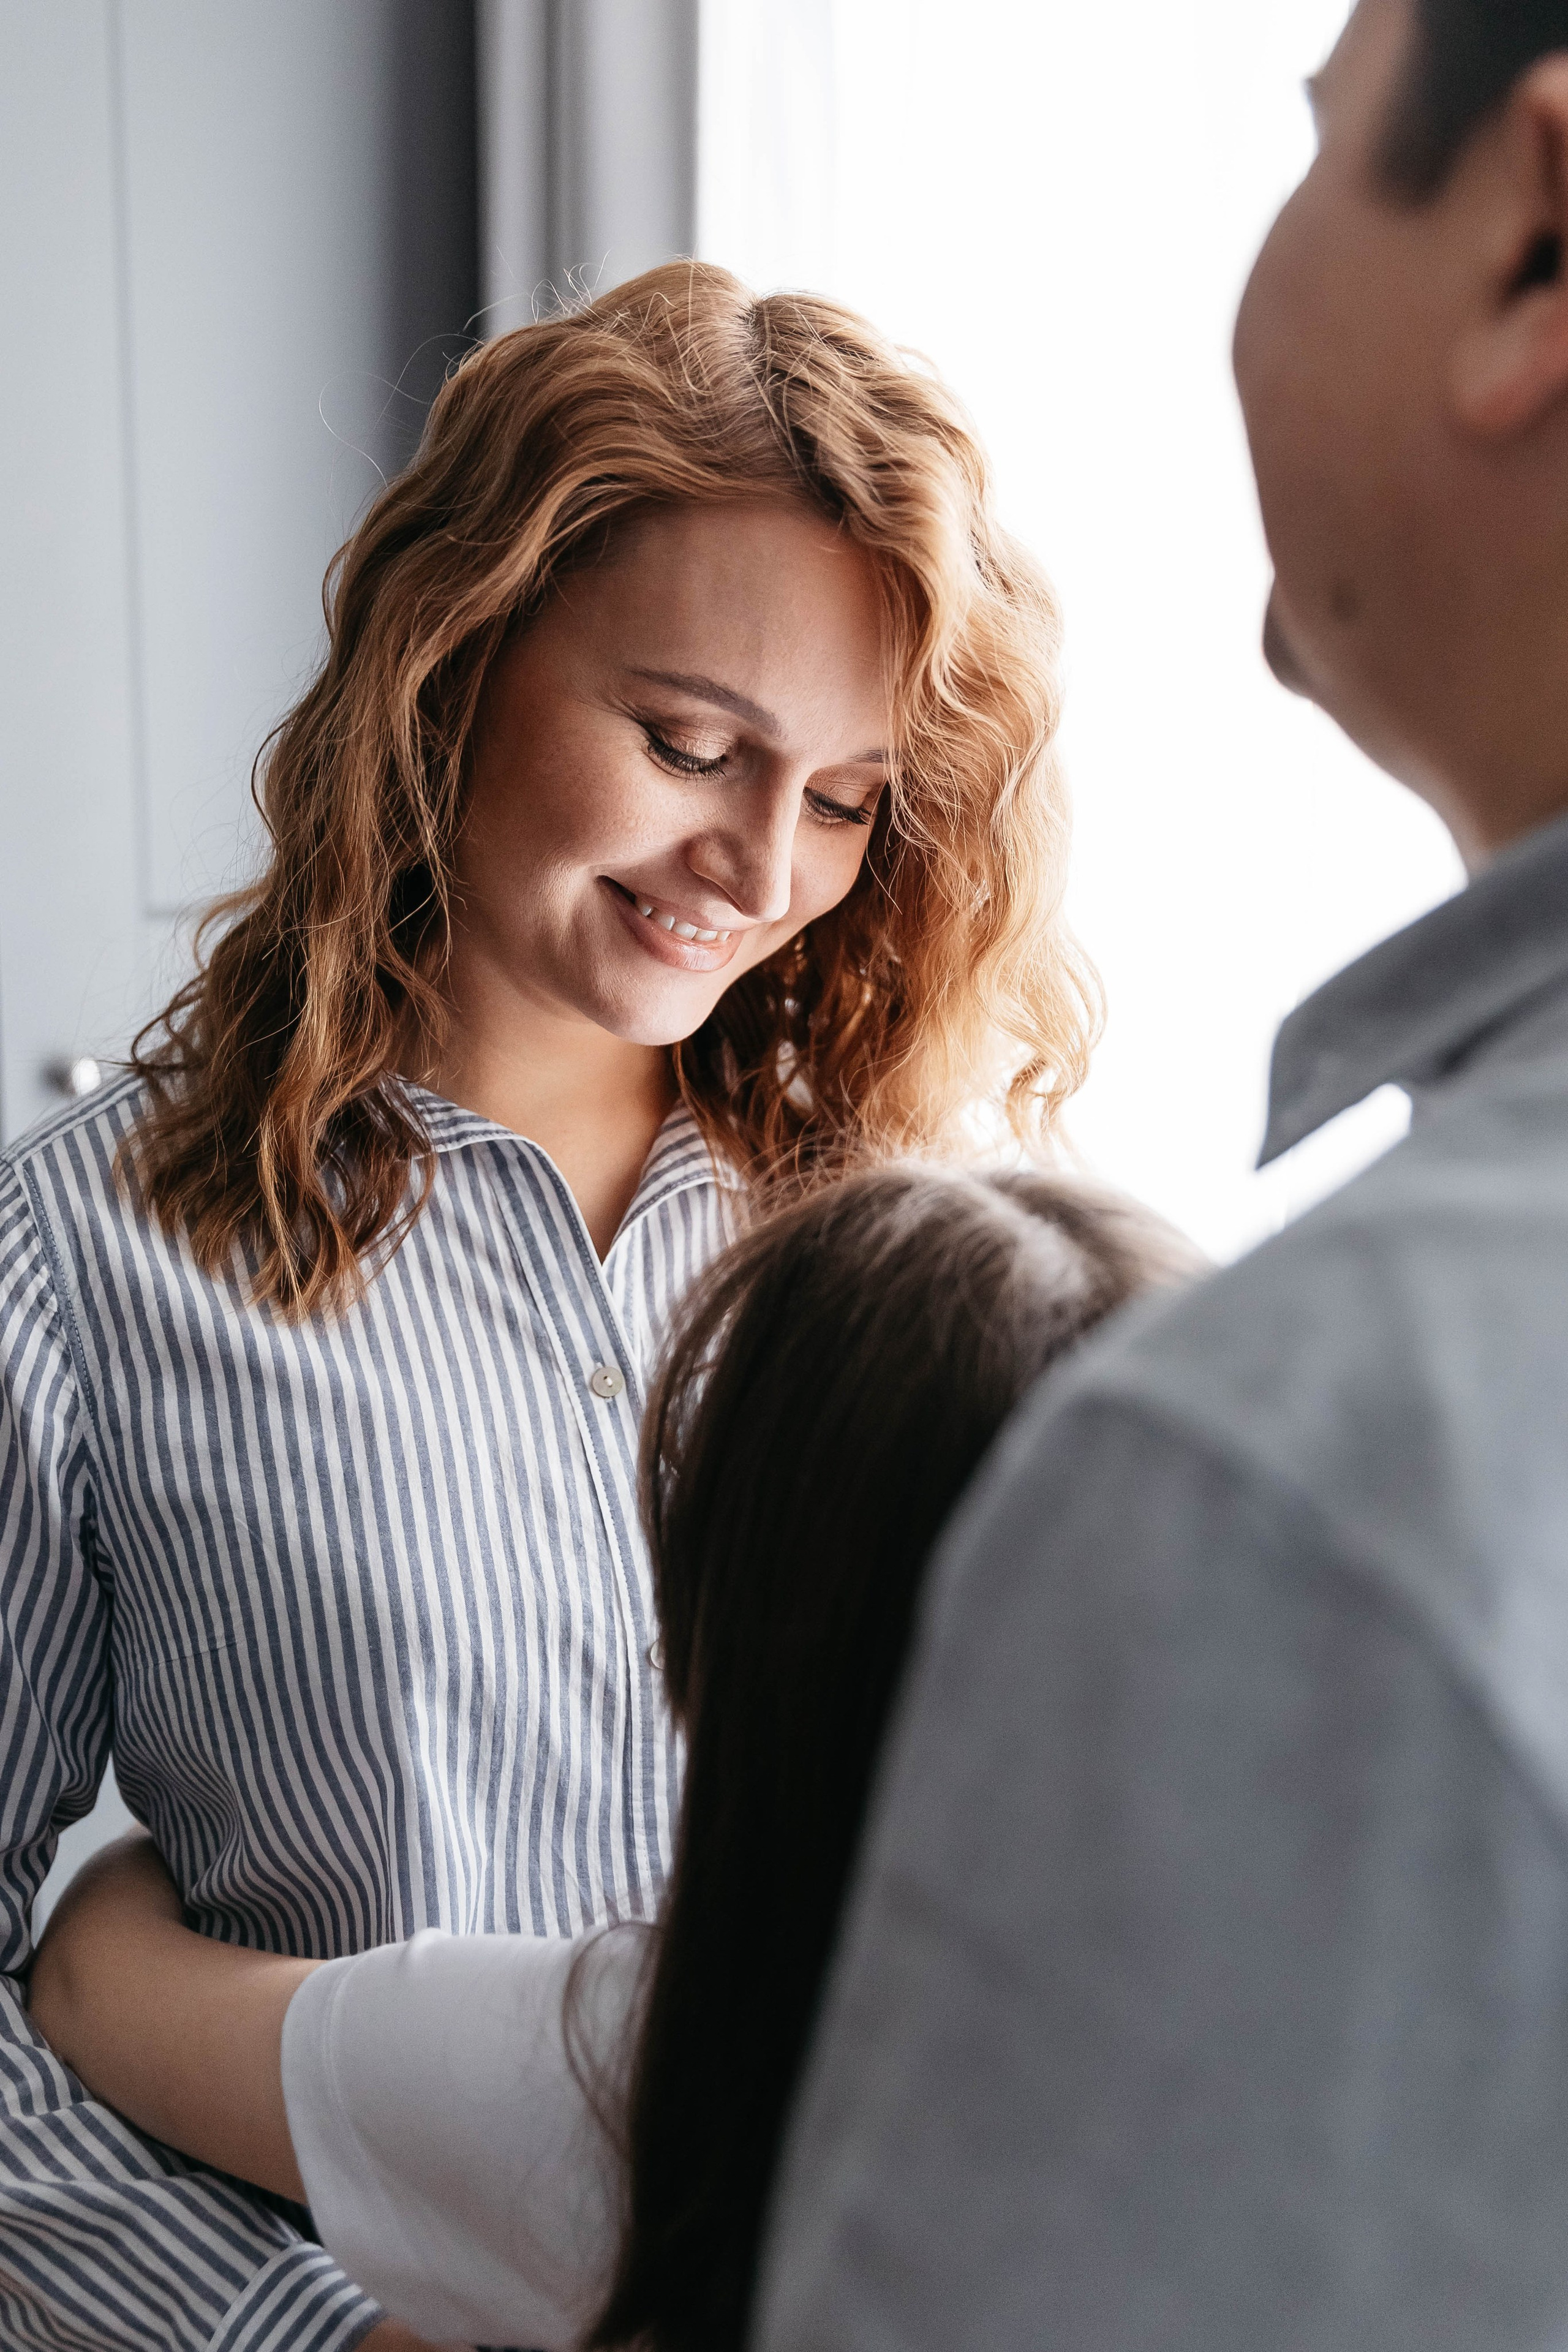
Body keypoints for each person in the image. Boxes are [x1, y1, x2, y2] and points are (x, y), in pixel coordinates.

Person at [0, 261, 1099, 2352]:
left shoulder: (914, 1262)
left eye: (849, 797)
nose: (762, 862)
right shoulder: (81, 1266)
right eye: (688, 741)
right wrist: (313, 2339)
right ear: (456, 666)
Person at [723, 3, 1568, 2347]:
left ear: (1537, 245)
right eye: (688, 738)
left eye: (1307, 141)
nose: (756, 851)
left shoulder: (1267, 1474)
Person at [25, 1165, 1198, 2351]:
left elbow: (88, 1987)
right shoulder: (1293, 2044)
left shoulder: (630, 2071)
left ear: (700, 1627)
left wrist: (128, 1879)